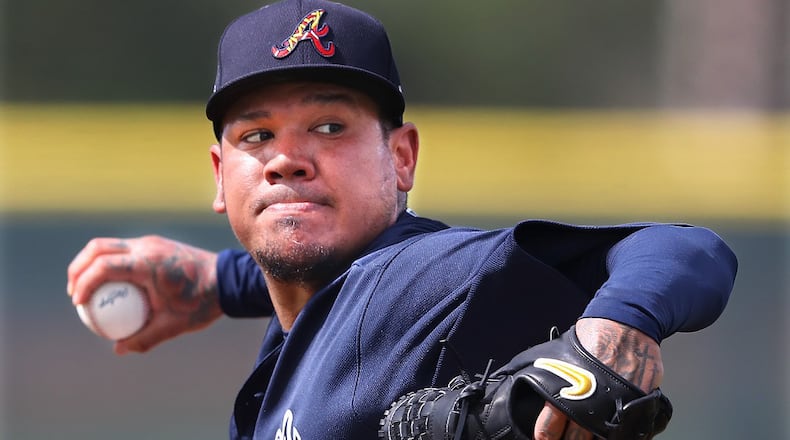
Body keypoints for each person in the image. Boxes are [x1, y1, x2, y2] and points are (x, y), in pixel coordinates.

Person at [67, 0, 738, 439]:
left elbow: (684, 251)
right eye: (256, 136)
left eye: (330, 127)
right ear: (220, 174)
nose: (287, 160)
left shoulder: (414, 278)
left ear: (401, 157)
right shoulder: (304, 303)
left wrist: (619, 327)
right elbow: (305, 277)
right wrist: (218, 281)